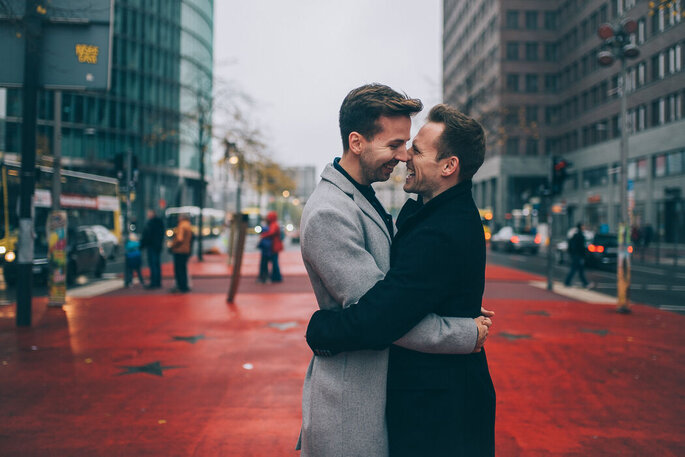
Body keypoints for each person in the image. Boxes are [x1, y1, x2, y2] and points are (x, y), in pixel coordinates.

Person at [297, 86, 492, 457]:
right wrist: (463, 330)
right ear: (357, 142)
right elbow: (378, 314)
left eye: (412, 147)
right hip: (353, 393)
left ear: (450, 166)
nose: (403, 157)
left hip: (413, 396)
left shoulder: (398, 206)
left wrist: (455, 305)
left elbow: (389, 310)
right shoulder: (330, 212)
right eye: (397, 145)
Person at [140, 209, 165, 289]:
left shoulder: (151, 223)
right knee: (156, 264)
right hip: (156, 246)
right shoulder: (159, 222)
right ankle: (157, 281)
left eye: (149, 213)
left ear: (153, 213)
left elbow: (147, 235)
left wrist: (142, 245)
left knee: (153, 264)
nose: (148, 214)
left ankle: (154, 282)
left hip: (152, 246)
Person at [170, 213, 192, 293]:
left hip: (179, 250)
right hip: (186, 249)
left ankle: (180, 286)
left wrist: (173, 245)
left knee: (179, 269)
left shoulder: (181, 225)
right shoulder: (188, 225)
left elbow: (180, 238)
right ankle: (184, 286)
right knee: (183, 268)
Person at [259, 211, 283, 283]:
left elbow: (271, 232)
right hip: (274, 246)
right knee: (274, 262)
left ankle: (276, 277)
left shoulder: (274, 224)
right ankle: (275, 276)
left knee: (274, 262)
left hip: (274, 246)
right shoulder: (274, 224)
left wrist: (263, 235)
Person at [565, 223, 591, 288]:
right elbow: (581, 248)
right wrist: (583, 256)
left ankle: (584, 283)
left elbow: (571, 245)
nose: (584, 227)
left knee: (578, 270)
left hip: (575, 255)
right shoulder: (581, 236)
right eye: (583, 226)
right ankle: (568, 282)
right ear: (581, 227)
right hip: (578, 256)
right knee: (576, 270)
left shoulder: (575, 235)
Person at [257, 216, 272, 283]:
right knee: (266, 264)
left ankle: (263, 278)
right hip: (268, 249)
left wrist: (258, 245)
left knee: (263, 265)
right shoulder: (269, 228)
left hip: (265, 250)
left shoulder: (264, 229)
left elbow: (261, 240)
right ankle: (266, 278)